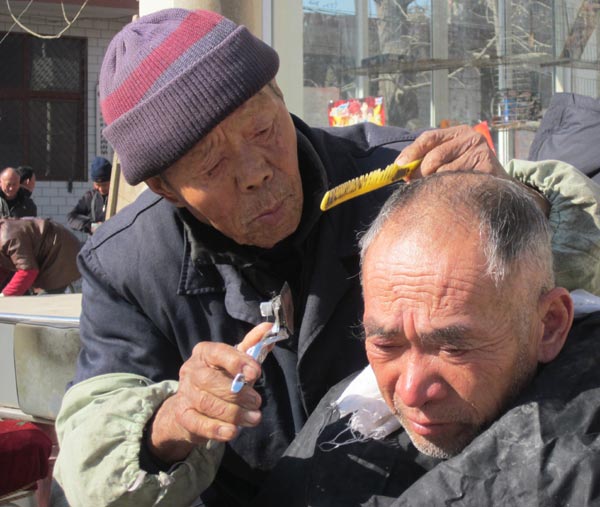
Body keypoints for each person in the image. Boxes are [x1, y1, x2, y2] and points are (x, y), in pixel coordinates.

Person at [53, 8, 600, 507]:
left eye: (264, 130)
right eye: (211, 166)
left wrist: (512, 204)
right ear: (165, 189)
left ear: (280, 96)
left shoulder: (409, 178)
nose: (256, 172)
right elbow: (90, 466)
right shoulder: (127, 265)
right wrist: (174, 420)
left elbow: (570, 279)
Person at [254, 171, 600, 506]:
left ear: (550, 324)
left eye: (453, 348)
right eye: (386, 345)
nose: (410, 391)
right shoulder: (350, 408)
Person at [0, 218, 81, 296]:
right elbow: (3, 268)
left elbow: (28, 271)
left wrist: (5, 295)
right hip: (47, 252)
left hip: (61, 253)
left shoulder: (8, 237)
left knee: (43, 302)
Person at [67, 156, 112, 235]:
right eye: (97, 185)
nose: (101, 189)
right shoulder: (90, 197)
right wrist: (91, 226)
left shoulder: (119, 197)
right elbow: (71, 218)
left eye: (104, 185)